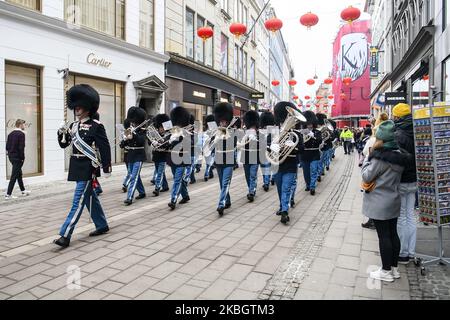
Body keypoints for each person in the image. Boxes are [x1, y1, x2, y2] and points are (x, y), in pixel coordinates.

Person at [54, 84, 112, 248]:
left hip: (88, 167)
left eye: (80, 106)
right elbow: (64, 145)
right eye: (76, 106)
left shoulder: (96, 126)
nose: (77, 109)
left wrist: (106, 167)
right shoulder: (72, 126)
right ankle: (101, 225)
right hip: (76, 166)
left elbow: (104, 147)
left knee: (77, 201)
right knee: (89, 198)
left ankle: (65, 235)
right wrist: (60, 133)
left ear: (87, 107)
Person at [362, 120, 410, 282]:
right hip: (394, 199)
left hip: (379, 202)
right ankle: (394, 268)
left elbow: (367, 176)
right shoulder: (399, 156)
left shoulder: (380, 158)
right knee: (393, 234)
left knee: (384, 237)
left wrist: (367, 160)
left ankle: (386, 271)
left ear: (382, 140)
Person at [392, 103, 418, 265]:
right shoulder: (418, 129)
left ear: (397, 117)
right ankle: (411, 251)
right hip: (414, 180)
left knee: (401, 216)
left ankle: (401, 253)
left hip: (401, 181)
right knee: (410, 216)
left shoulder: (398, 134)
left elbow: (396, 161)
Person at [270, 102, 302, 224]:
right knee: (279, 188)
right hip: (278, 164)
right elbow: (268, 145)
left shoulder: (296, 134)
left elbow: (301, 148)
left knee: (286, 188)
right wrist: (272, 146)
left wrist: (293, 147)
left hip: (290, 165)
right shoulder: (275, 133)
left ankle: (284, 211)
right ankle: (282, 206)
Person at [213, 102, 237, 216]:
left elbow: (236, 143)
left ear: (227, 121)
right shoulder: (216, 132)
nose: (222, 123)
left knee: (226, 183)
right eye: (221, 121)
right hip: (218, 160)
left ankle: (221, 204)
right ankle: (227, 200)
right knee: (222, 183)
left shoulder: (233, 131)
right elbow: (211, 146)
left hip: (229, 160)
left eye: (224, 121)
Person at [167, 106, 192, 210]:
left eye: (179, 123)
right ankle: (185, 196)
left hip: (181, 159)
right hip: (172, 159)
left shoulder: (186, 133)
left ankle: (173, 200)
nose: (177, 124)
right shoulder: (172, 132)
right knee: (179, 180)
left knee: (177, 180)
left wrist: (178, 139)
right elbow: (166, 144)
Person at [122, 107, 148, 206]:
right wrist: (124, 139)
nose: (133, 123)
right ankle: (142, 192)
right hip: (130, 155)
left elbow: (141, 141)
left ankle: (129, 197)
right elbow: (124, 144)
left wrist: (134, 133)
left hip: (139, 155)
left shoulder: (142, 130)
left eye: (134, 121)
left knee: (134, 177)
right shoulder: (130, 129)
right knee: (135, 175)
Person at [5, 119, 31, 200]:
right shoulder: (21, 134)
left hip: (11, 157)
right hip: (18, 158)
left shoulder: (10, 134)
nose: (24, 126)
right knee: (14, 175)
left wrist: (9, 154)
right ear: (20, 125)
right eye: (23, 124)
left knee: (19, 174)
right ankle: (8, 194)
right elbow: (21, 148)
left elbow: (7, 147)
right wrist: (22, 158)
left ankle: (23, 191)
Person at [299, 111, 322, 196]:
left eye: (311, 123)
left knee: (313, 171)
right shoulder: (302, 131)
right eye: (308, 123)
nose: (309, 125)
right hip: (305, 154)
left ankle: (312, 187)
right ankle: (308, 184)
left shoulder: (317, 132)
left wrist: (313, 136)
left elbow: (320, 141)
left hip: (314, 153)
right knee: (306, 172)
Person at [241, 110, 260, 202]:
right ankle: (251, 188)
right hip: (246, 157)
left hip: (255, 157)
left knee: (253, 175)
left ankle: (251, 191)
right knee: (247, 175)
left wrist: (256, 140)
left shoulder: (259, 133)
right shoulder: (244, 132)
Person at [151, 113, 171, 197]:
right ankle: (165, 186)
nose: (161, 129)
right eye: (160, 127)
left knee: (159, 173)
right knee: (161, 172)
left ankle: (157, 188)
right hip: (156, 155)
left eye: (162, 127)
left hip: (163, 155)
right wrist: (152, 142)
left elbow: (167, 145)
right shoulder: (155, 134)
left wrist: (161, 142)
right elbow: (149, 141)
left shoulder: (168, 135)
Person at [259, 111, 276, 192]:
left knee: (267, 166)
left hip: (270, 150)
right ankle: (268, 180)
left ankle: (266, 183)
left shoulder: (273, 130)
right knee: (264, 167)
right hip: (262, 151)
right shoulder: (260, 131)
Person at [203, 114, 217, 182]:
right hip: (212, 147)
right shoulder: (214, 129)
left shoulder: (206, 129)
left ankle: (210, 173)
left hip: (206, 147)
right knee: (210, 162)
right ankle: (206, 174)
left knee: (208, 162)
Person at [120, 118, 132, 193]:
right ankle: (126, 184)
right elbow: (121, 145)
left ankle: (126, 184)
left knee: (131, 172)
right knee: (130, 171)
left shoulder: (133, 132)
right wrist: (124, 139)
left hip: (131, 154)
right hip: (127, 154)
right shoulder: (125, 133)